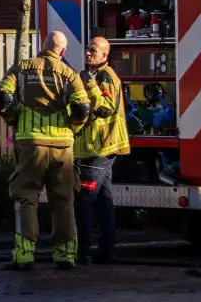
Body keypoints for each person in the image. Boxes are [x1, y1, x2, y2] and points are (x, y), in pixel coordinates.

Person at [0, 31, 92, 270]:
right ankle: (65, 255)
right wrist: (72, 128)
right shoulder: (69, 74)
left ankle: (25, 255)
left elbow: (2, 95)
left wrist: (13, 118)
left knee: (26, 197)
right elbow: (83, 107)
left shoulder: (22, 68)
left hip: (31, 145)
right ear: (63, 51)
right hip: (63, 148)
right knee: (64, 200)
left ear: (42, 47)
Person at [73, 36, 130, 265]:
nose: (88, 53)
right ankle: (106, 250)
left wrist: (90, 86)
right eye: (87, 49)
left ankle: (82, 251)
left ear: (105, 56)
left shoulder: (105, 78)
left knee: (85, 198)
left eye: (93, 50)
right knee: (105, 200)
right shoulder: (91, 75)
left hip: (98, 149)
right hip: (99, 148)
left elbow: (105, 110)